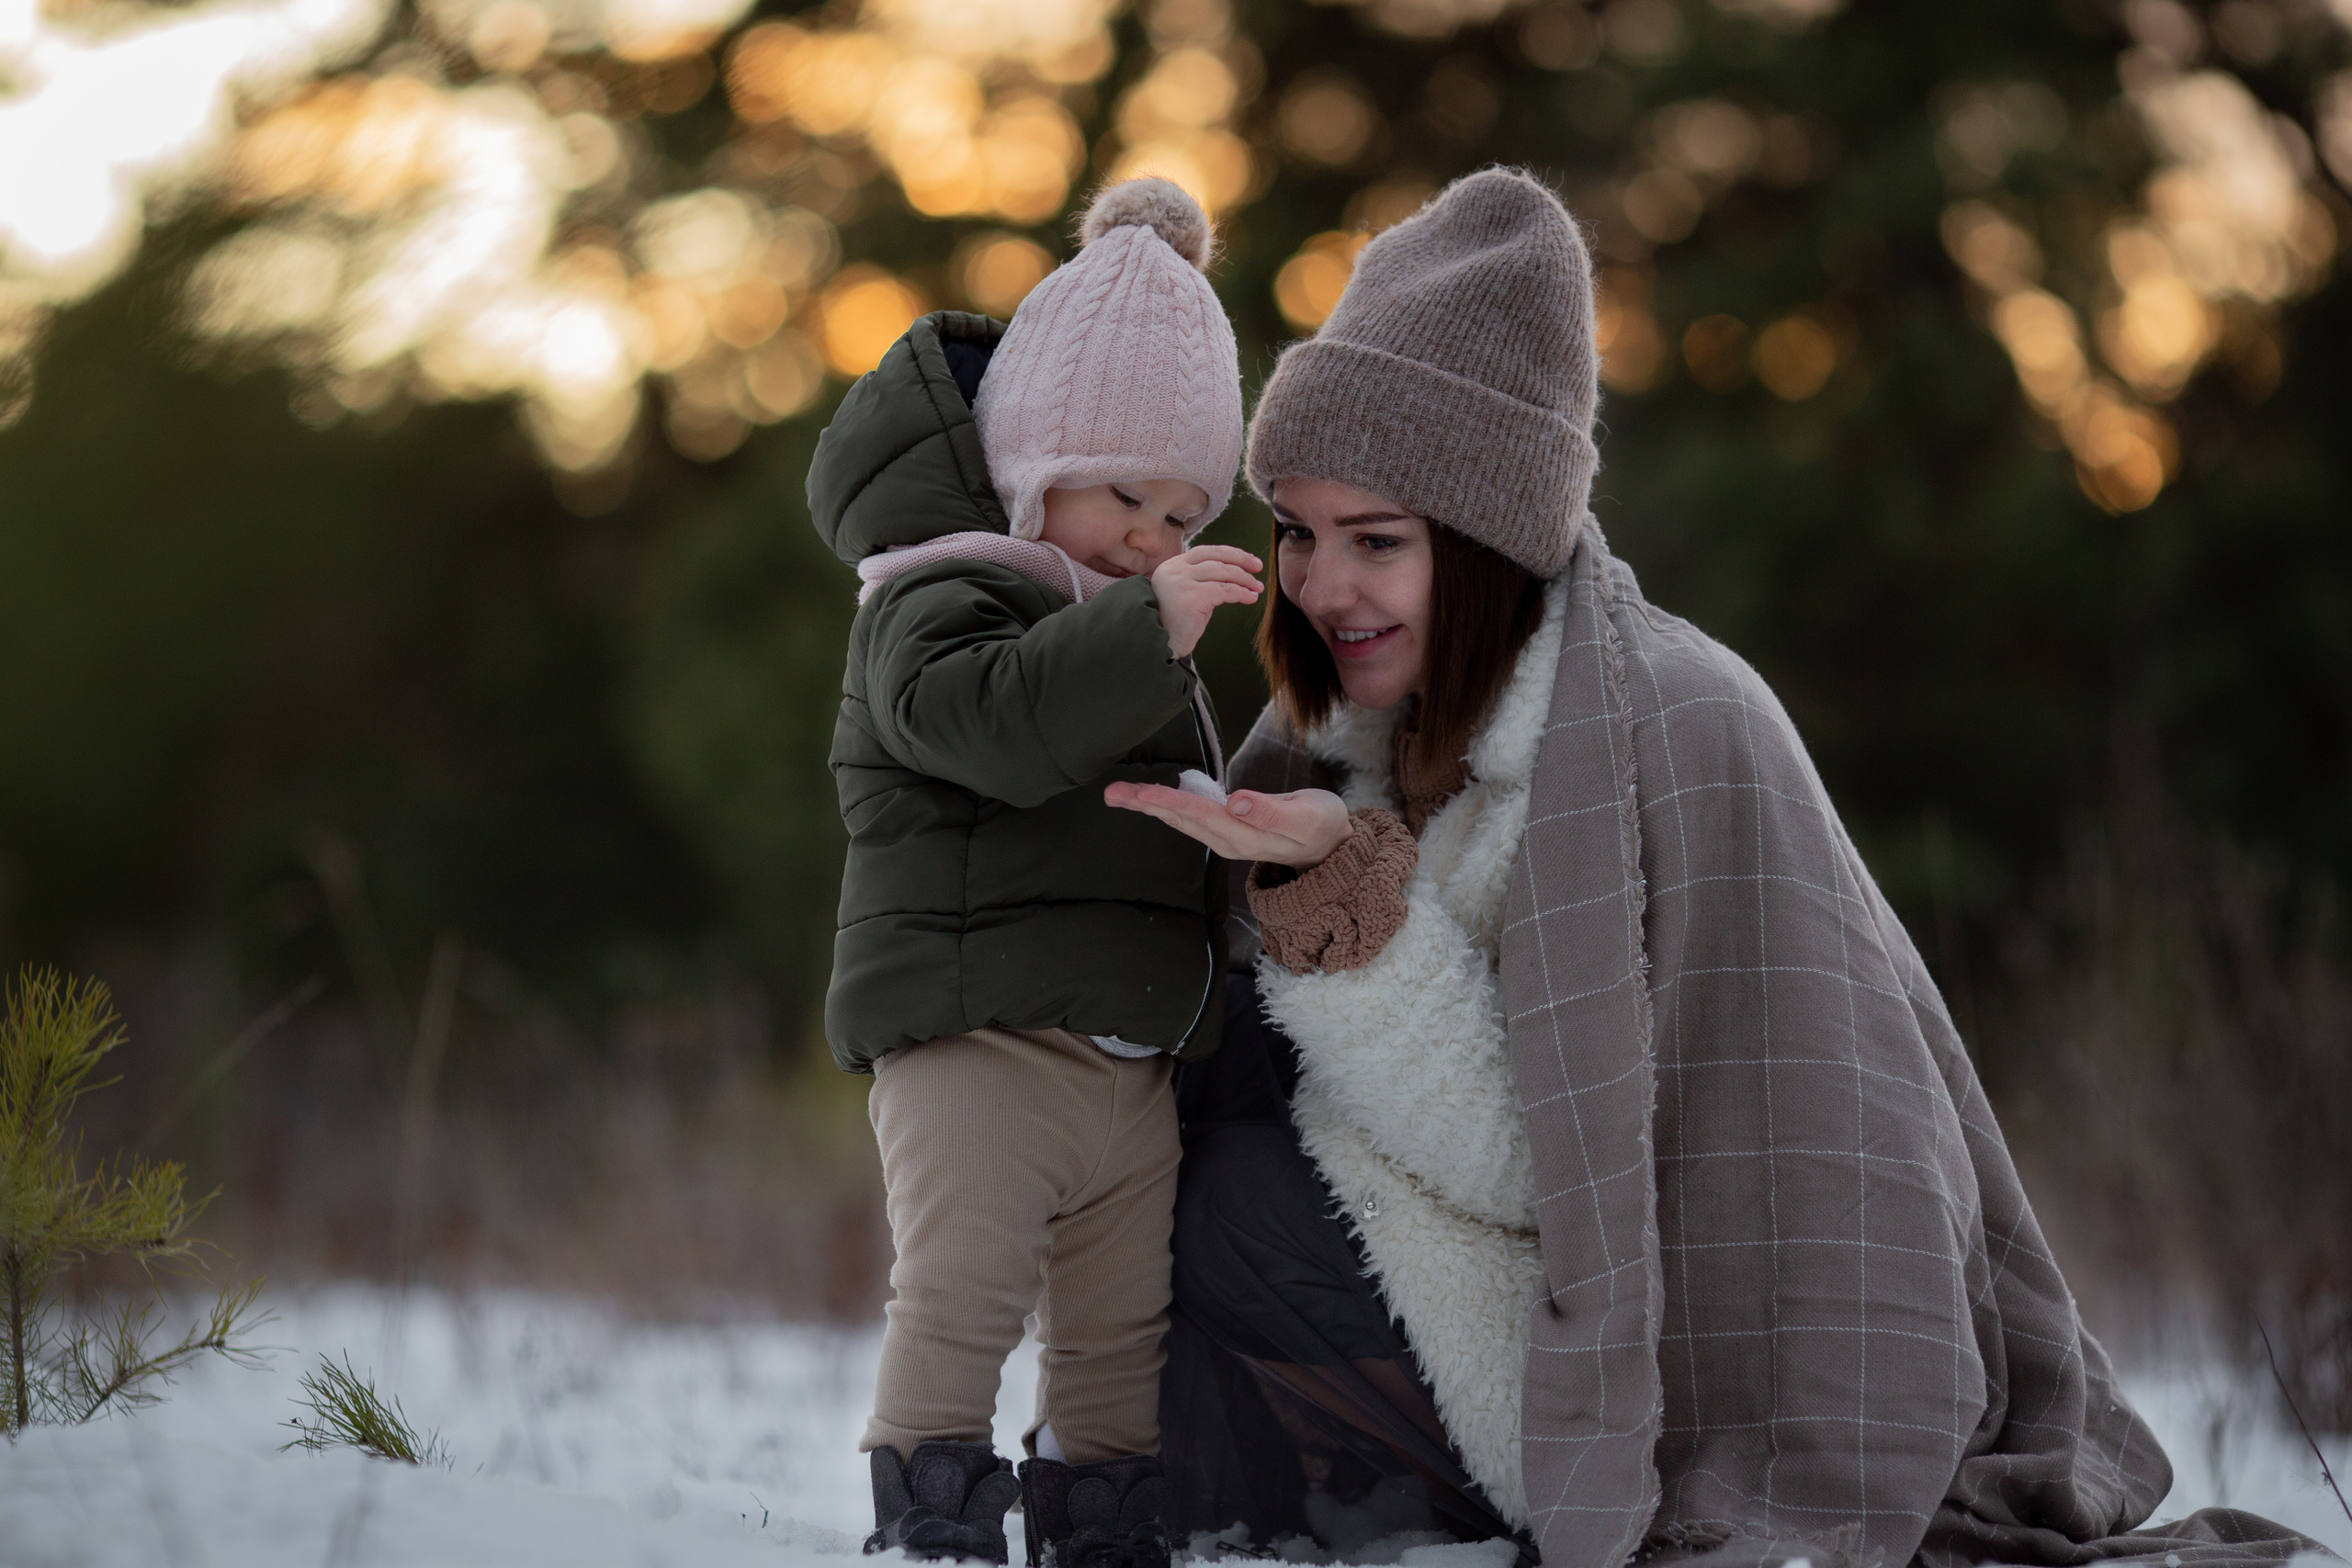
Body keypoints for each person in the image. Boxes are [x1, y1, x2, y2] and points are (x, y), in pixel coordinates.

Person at [1107, 169, 2327, 1568]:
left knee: (1242, 1205)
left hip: (1647, 1354)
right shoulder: (1339, 737)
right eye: (1303, 533)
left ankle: (1452, 1505)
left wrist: (1349, 916)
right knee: (1180, 1134)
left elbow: (1546, 1174)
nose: (1325, 588)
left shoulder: (1680, 729)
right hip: (1471, 1258)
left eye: (1379, 541)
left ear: (1496, 541)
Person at [806, 177, 1260, 1568]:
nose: (1152, 537)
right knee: (963, 1291)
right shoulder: (939, 595)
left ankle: (1104, 1513)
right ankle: (933, 1514)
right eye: (1126, 493)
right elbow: (988, 725)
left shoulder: (1113, 624)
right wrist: (1144, 634)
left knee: (1121, 1323)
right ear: (1030, 457)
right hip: (979, 1041)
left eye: (1184, 516)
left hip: (1124, 1064)